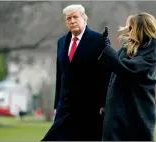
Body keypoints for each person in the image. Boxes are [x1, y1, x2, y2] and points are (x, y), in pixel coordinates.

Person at [41, 4, 111, 141]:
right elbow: (60, 74)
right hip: (65, 107)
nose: (72, 21)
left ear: (84, 18)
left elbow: (107, 74)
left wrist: (104, 103)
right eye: (68, 18)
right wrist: (57, 104)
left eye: (75, 17)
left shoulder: (99, 41)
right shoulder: (61, 42)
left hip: (90, 108)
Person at [98, 12, 156, 141]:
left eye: (132, 27)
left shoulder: (151, 53)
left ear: (141, 29)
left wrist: (107, 50)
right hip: (118, 105)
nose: (129, 30)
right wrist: (105, 103)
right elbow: (113, 72)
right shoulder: (128, 46)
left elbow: (126, 69)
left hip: (139, 108)